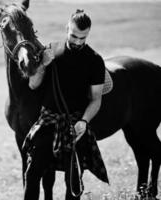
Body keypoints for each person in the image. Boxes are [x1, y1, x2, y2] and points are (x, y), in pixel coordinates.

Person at [23, 9, 108, 200]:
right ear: (66, 28)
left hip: (74, 124)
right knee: (32, 173)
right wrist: (42, 64)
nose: (78, 41)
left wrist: (84, 122)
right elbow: (33, 84)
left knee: (73, 182)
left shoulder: (95, 61)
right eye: (74, 36)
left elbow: (96, 99)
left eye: (83, 37)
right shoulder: (50, 49)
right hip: (48, 121)